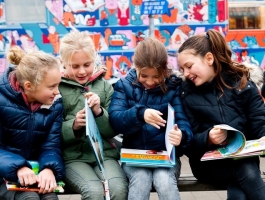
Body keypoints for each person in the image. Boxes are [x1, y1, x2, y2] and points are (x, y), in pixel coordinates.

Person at [178, 29, 265, 200]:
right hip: (208, 165)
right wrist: (207, 138)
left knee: (238, 195)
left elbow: (259, 122)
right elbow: (187, 141)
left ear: (209, 59)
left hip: (243, 157)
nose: (186, 73)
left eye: (189, 66)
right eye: (182, 69)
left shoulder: (243, 83)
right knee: (245, 169)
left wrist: (263, 137)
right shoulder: (186, 93)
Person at [108, 37, 193, 200]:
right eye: (144, 75)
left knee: (164, 180)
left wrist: (182, 135)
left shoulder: (173, 88)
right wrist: (139, 114)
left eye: (156, 76)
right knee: (141, 179)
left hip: (166, 158)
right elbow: (115, 120)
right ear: (136, 66)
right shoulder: (124, 86)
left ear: (165, 70)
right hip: (134, 157)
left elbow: (183, 121)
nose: (150, 82)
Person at [58, 30, 128, 200]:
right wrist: (73, 126)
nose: (82, 71)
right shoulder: (56, 88)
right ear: (63, 64)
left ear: (95, 60)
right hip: (73, 158)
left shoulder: (105, 87)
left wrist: (98, 112)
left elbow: (113, 130)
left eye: (87, 64)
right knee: (94, 192)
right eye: (75, 66)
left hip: (104, 154)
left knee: (118, 189)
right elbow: (49, 131)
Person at [0, 46, 65, 200]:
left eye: (58, 85)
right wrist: (18, 167)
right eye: (51, 87)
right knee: (29, 198)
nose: (57, 92)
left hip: (34, 174)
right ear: (29, 86)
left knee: (50, 197)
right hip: (4, 175)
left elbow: (51, 145)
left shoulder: (55, 104)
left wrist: (49, 168)